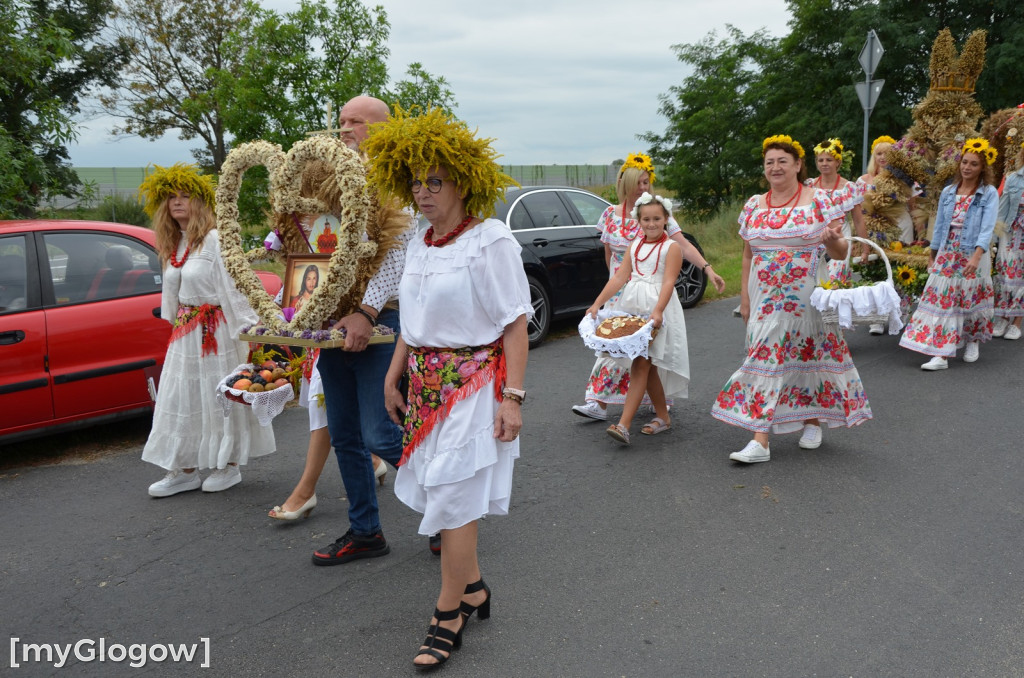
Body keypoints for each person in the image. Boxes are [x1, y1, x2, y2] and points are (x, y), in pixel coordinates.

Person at [368, 106, 530, 669]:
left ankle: (447, 613)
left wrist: (513, 399)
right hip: (425, 384)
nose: (422, 192)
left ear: (463, 181)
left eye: (434, 181)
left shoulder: (490, 239)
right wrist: (394, 373)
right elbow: (411, 324)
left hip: (475, 386)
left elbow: (514, 322)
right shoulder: (418, 242)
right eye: (416, 182)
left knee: (456, 499)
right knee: (443, 493)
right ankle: (475, 587)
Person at [711, 135, 872, 463]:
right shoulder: (754, 204)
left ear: (798, 165)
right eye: (769, 162)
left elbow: (841, 251)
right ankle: (762, 439)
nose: (775, 167)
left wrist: (831, 241)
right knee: (767, 360)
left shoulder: (818, 201)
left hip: (806, 297)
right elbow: (746, 256)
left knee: (806, 357)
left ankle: (807, 422)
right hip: (765, 298)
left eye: (782, 161)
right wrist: (744, 298)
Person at [309, 95, 415, 563]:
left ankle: (447, 513)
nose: (345, 128)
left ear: (380, 130)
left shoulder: (394, 182)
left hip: (381, 320)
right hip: (334, 322)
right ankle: (365, 531)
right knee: (346, 433)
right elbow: (314, 251)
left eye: (356, 121)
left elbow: (396, 254)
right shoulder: (326, 180)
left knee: (382, 434)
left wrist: (367, 312)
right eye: (342, 120)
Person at [141, 163, 275, 495]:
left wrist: (249, 332)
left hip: (216, 334)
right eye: (171, 197)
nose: (177, 202)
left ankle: (228, 466)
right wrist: (176, 321)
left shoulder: (215, 240)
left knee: (218, 398)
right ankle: (184, 469)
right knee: (182, 397)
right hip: (186, 335)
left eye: (185, 196)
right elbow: (170, 294)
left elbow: (234, 287)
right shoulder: (174, 243)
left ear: (200, 202)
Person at [571, 153, 724, 422]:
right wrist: (608, 290)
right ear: (626, 184)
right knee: (611, 347)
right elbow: (609, 255)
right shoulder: (610, 214)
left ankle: (657, 398)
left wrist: (707, 268)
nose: (643, 188)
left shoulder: (656, 213)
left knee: (651, 349)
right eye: (639, 183)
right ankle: (598, 401)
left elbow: (684, 246)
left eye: (646, 182)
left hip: (649, 288)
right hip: (621, 289)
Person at [584, 193, 689, 445]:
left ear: (666, 219)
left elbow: (668, 281)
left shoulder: (671, 248)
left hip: (657, 309)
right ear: (639, 221)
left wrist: (658, 310)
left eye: (656, 219)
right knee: (646, 366)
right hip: (633, 307)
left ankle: (623, 425)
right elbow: (619, 278)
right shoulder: (635, 245)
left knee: (641, 365)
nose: (651, 224)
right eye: (646, 219)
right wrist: (597, 303)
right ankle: (663, 417)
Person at [900, 138, 999, 368]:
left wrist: (977, 256)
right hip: (948, 249)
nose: (967, 167)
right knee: (942, 299)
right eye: (964, 162)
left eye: (974, 164)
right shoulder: (948, 191)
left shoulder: (988, 193)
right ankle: (941, 353)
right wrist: (933, 253)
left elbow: (987, 227)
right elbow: (941, 224)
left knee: (971, 298)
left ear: (982, 167)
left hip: (972, 251)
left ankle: (972, 339)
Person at [858, 134, 922, 335]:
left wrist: (920, 233)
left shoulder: (905, 179)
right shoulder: (863, 180)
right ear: (873, 156)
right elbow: (858, 210)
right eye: (879, 153)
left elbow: (915, 207)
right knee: (877, 268)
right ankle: (877, 318)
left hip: (901, 225)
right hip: (876, 228)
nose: (882, 157)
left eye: (887, 153)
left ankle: (901, 312)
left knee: (900, 268)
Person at [991, 139, 1024, 341]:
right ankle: (1003, 317)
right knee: (1005, 273)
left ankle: (1017, 321)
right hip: (1011, 234)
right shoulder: (1013, 179)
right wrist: (992, 240)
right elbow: (1002, 212)